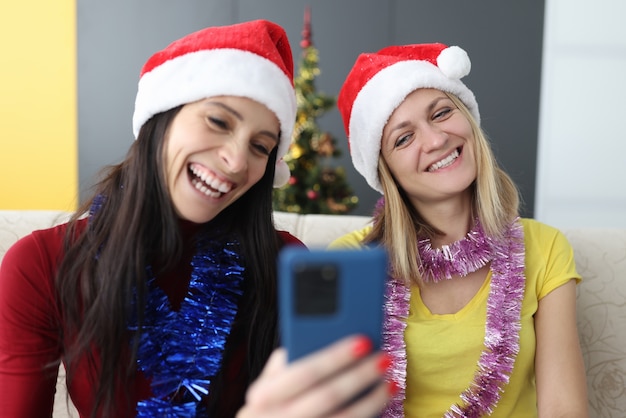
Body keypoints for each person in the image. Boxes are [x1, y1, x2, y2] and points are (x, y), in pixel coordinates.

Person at [0, 20, 393, 417]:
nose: (238, 161)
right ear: (161, 118)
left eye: (260, 146)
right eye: (218, 122)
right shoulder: (41, 264)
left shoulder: (282, 262)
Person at [331, 43, 589, 417]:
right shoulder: (351, 263)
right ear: (386, 171)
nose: (436, 140)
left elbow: (564, 409)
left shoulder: (545, 247)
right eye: (404, 138)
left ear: (468, 118)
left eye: (441, 113)